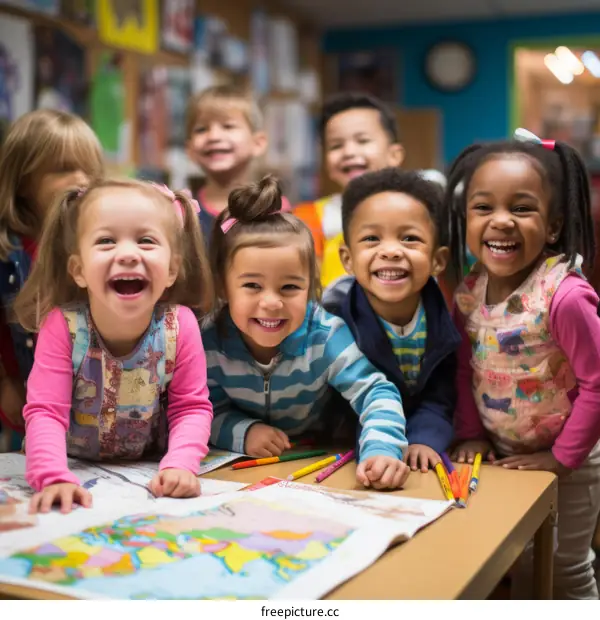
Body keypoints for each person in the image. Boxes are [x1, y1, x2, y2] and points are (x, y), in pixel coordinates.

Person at [447, 130, 600, 599]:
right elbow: (464, 368)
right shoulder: (470, 289)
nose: (501, 222)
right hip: (502, 455)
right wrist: (471, 433)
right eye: (484, 207)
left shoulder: (564, 295)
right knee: (517, 568)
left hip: (571, 462)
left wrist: (560, 459)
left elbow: (598, 384)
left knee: (563, 570)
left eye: (521, 208)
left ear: (552, 227)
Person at [14, 178, 214, 514]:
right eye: (106, 241)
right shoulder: (62, 327)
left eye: (146, 241)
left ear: (172, 270)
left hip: (146, 478)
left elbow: (191, 408)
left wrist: (180, 464)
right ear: (78, 270)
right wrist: (52, 476)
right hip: (72, 469)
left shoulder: (181, 326)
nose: (127, 254)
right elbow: (46, 411)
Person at [202, 175, 410, 490]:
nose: (271, 302)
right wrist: (244, 432)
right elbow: (201, 408)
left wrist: (382, 449)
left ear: (311, 287)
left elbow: (377, 393)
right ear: (223, 287)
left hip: (317, 461)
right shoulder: (208, 339)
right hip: (237, 474)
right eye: (252, 286)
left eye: (289, 287)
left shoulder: (325, 335)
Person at [322, 168, 460, 472]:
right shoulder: (333, 323)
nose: (391, 251)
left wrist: (425, 438)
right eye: (372, 238)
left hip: (415, 448)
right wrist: (381, 446)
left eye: (410, 238)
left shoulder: (443, 323)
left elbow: (441, 394)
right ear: (347, 258)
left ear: (438, 260)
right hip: (347, 449)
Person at [0, 109, 104, 452]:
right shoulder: (8, 253)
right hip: (29, 400)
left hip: (99, 404)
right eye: (62, 169)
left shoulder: (101, 244)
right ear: (23, 180)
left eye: (88, 169)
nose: (80, 178)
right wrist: (6, 382)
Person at [294, 92, 405, 288]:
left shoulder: (415, 212)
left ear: (394, 155)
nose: (349, 152)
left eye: (362, 141)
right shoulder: (309, 217)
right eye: (336, 145)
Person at [185, 84, 290, 246]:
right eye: (201, 129)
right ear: (190, 149)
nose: (213, 136)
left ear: (258, 143)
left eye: (228, 126)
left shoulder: (276, 209)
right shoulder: (182, 212)